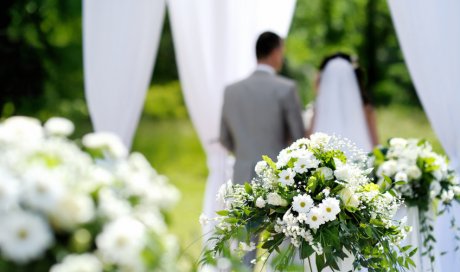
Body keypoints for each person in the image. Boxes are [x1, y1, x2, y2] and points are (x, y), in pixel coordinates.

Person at [219, 31, 305, 267]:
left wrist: (246, 153)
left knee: (244, 250)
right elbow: (300, 140)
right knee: (285, 247)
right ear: (276, 51)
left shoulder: (231, 90)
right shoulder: (286, 88)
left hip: (243, 176)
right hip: (280, 180)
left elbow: (224, 138)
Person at [309, 53, 378, 151]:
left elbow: (309, 138)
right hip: (360, 156)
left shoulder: (318, 108)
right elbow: (375, 142)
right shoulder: (366, 109)